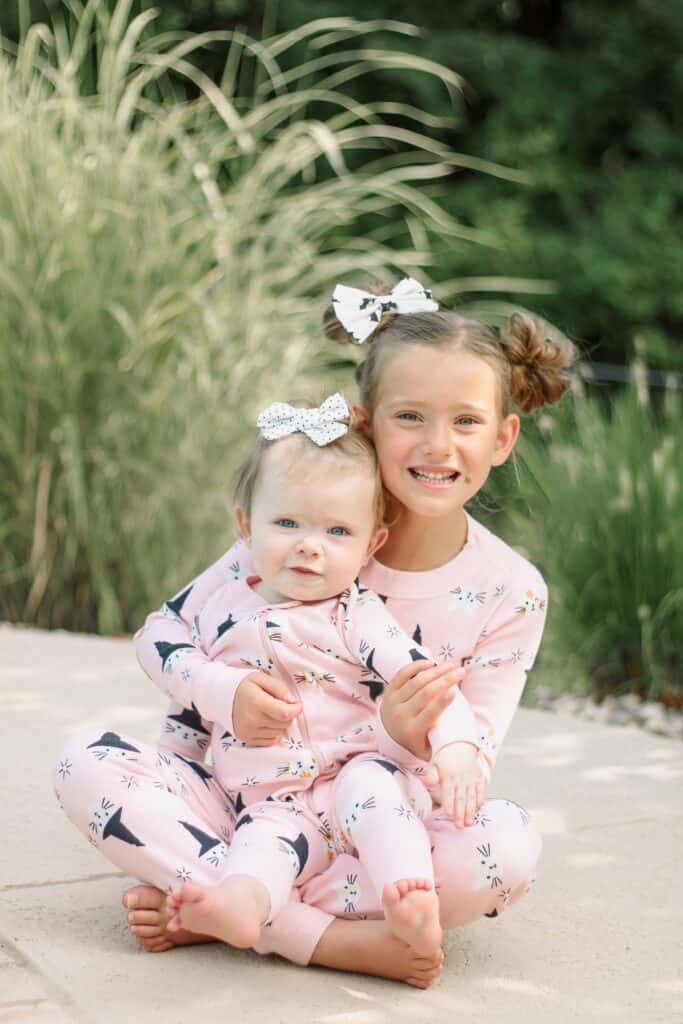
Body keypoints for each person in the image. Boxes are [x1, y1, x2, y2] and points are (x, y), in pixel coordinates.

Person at [55, 277, 575, 988]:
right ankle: (326, 937)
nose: (435, 443)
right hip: (240, 798)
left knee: (503, 850)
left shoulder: (511, 590)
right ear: (365, 422)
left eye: (464, 422)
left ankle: (219, 897)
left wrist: (395, 736)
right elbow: (179, 636)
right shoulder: (300, 528)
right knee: (84, 762)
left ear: (503, 436)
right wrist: (225, 688)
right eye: (409, 416)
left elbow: (466, 766)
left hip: (375, 825)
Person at [148, 392, 477, 958]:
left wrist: (458, 745)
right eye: (287, 522)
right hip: (270, 800)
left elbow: (419, 673)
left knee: (377, 794)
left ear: (371, 543)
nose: (308, 546)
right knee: (261, 845)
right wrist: (188, 748)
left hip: (351, 776)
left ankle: (410, 894)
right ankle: (241, 908)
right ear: (244, 526)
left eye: (337, 533)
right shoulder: (219, 604)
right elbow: (169, 670)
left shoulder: (355, 613)